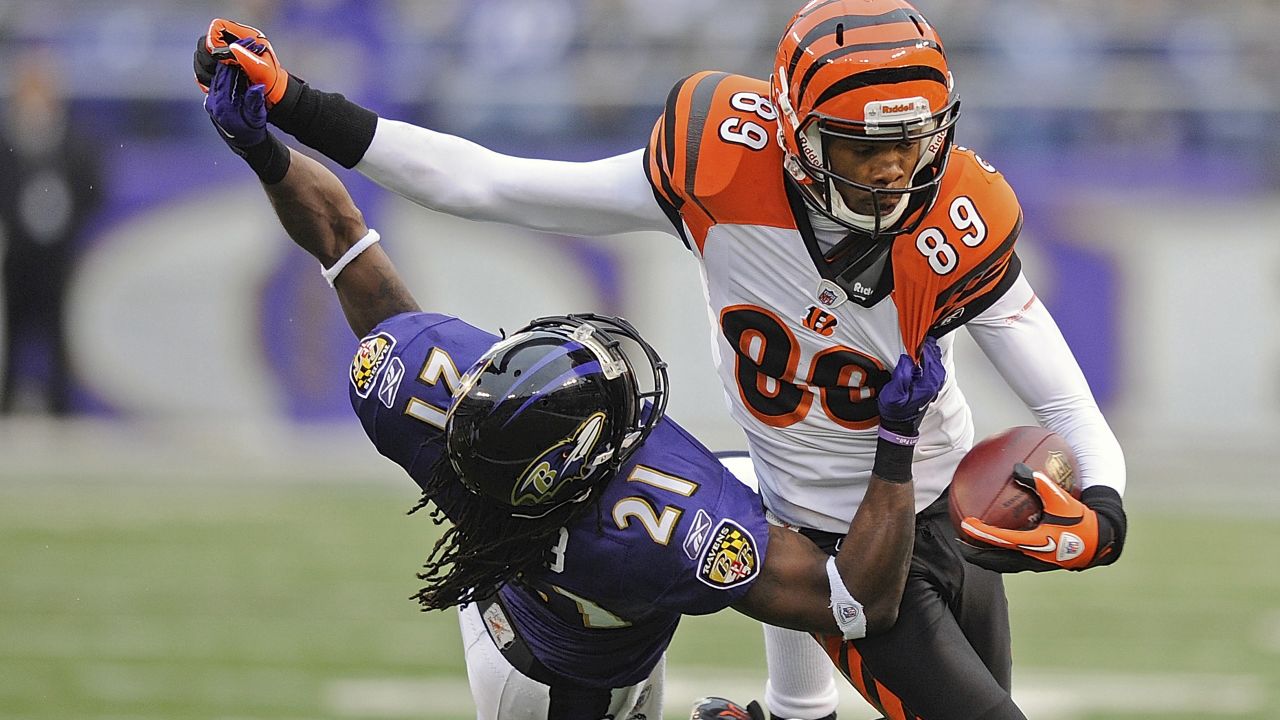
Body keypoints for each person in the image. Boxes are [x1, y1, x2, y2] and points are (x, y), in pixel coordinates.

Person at [196, 4, 1131, 717]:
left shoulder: (432, 395)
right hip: (852, 551)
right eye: (861, 144)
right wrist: (893, 446)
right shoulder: (661, 512)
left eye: (910, 141)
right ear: (799, 133)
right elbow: (824, 588)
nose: (893, 169)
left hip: (900, 516)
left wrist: (281, 124)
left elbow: (364, 246)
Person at [0, 54, 102, 415]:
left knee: (59, 328)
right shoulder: (9, 142)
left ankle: (61, 404)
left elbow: (94, 186)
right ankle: (9, 401)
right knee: (13, 328)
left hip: (59, 253)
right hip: (19, 251)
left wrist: (71, 221)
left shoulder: (73, 142)